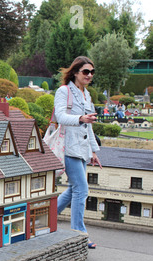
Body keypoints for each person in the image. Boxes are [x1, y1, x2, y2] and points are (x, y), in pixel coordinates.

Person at [54, 56, 102, 249]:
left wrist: (94, 151)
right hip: (68, 147)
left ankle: (46, 217)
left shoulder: (86, 95)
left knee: (74, 189)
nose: (89, 75)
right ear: (75, 72)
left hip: (82, 149)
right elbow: (60, 116)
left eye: (92, 72)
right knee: (82, 190)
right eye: (85, 72)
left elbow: (89, 127)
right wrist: (80, 117)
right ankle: (79, 233)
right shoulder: (64, 91)